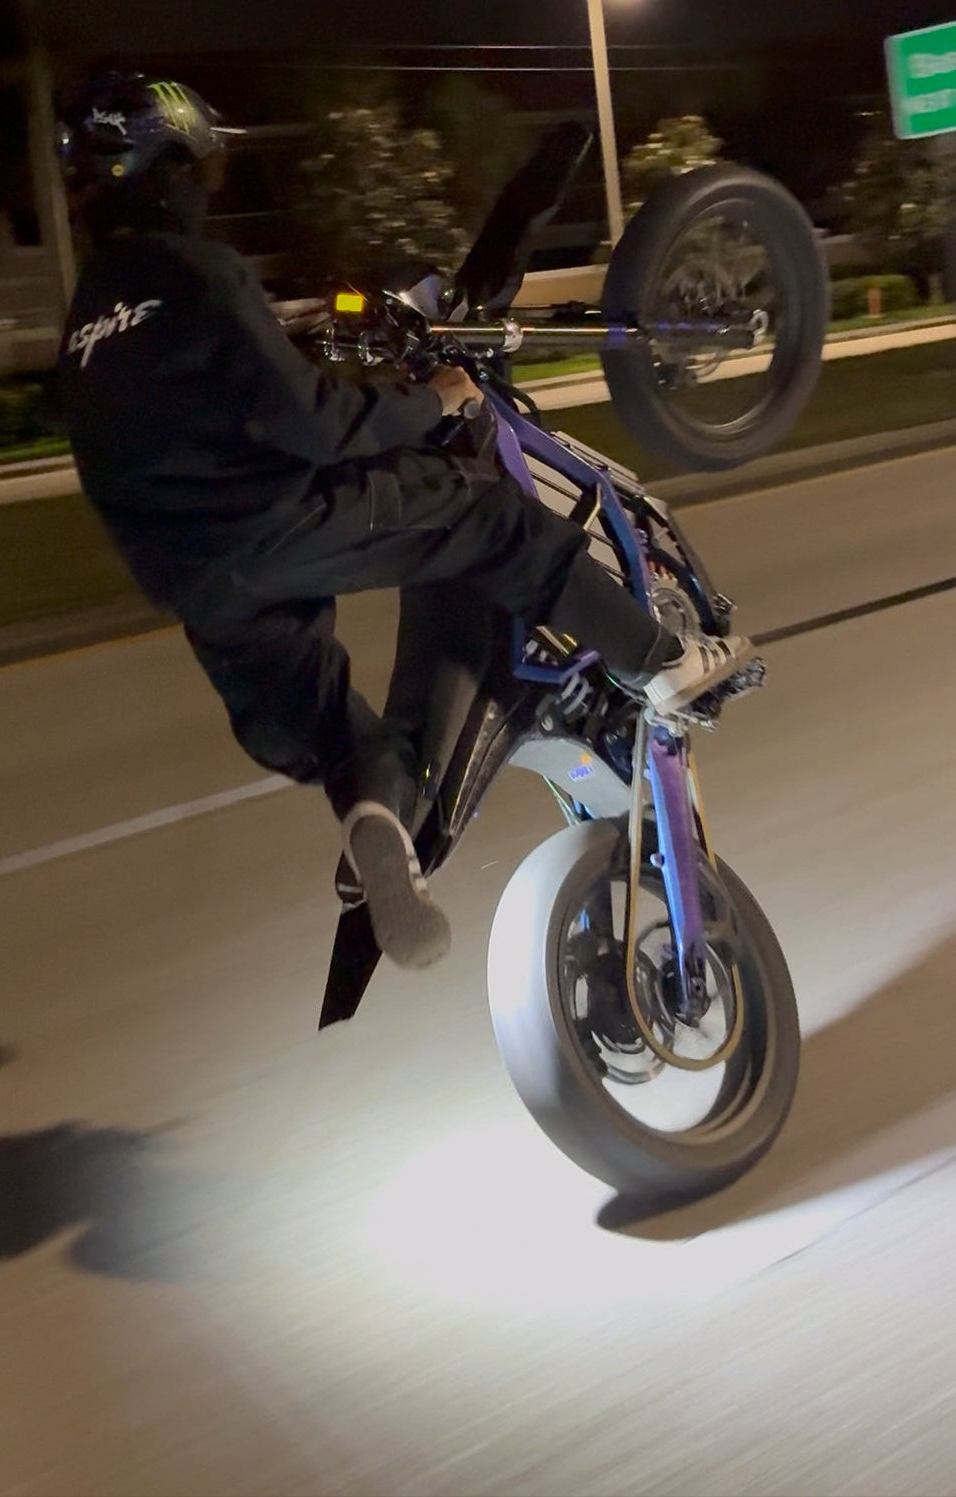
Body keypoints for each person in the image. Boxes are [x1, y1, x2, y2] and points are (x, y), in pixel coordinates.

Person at [55, 72, 755, 971]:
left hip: (193, 581)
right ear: (170, 169)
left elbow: (202, 413)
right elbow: (314, 421)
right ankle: (660, 660)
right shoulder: (195, 273)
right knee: (485, 515)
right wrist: (430, 401)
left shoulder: (85, 328)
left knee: (334, 727)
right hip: (275, 521)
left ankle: (376, 822)